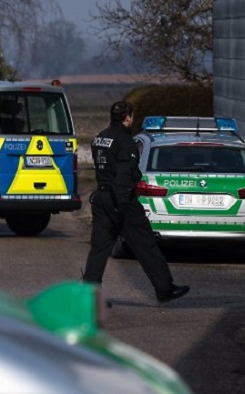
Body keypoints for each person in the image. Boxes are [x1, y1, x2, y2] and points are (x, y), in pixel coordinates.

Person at [83, 101, 189, 304]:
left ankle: (89, 297)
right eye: (131, 116)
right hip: (122, 200)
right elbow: (123, 175)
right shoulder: (126, 142)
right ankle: (165, 289)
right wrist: (122, 205)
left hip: (101, 197)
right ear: (127, 118)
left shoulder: (100, 138)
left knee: (99, 249)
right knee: (146, 245)